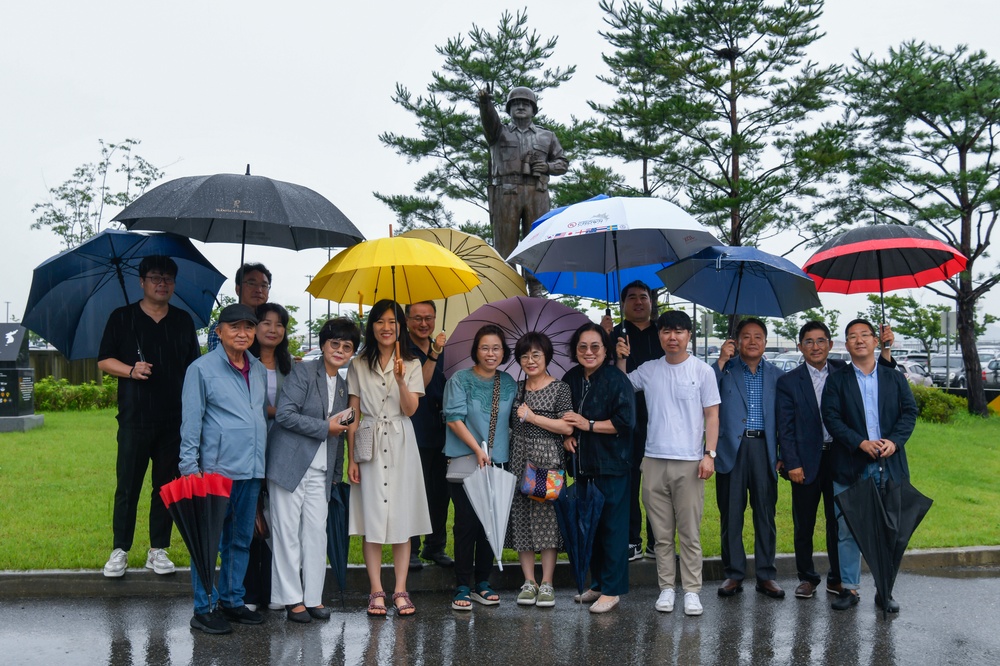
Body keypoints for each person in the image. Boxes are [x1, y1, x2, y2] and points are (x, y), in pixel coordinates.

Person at [776, 321, 898, 600]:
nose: (815, 347)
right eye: (808, 341)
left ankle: (838, 578)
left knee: (840, 521)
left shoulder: (845, 372)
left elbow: (881, 378)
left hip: (843, 457)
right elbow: (786, 426)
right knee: (803, 522)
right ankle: (807, 577)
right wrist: (791, 462)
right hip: (805, 461)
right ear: (800, 347)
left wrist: (887, 348)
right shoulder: (788, 381)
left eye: (821, 341)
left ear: (831, 345)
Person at [97, 255, 200, 578]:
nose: (162, 283)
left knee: (165, 486)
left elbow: (193, 368)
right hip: (134, 419)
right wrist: (130, 369)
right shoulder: (122, 317)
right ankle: (120, 549)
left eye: (168, 278)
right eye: (155, 277)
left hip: (173, 419)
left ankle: (158, 549)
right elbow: (103, 361)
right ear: (141, 282)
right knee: (127, 485)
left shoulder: (182, 321)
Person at [616, 311, 720, 617]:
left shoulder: (702, 371)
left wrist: (709, 454)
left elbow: (712, 415)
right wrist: (620, 357)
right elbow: (621, 386)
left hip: (690, 462)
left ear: (689, 335)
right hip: (653, 460)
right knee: (661, 534)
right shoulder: (649, 369)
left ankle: (691, 591)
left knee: (689, 532)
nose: (672, 337)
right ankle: (666, 588)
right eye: (666, 331)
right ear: (659, 335)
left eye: (678, 331)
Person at [179, 304, 267, 634]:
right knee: (207, 543)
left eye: (248, 327)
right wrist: (189, 468)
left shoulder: (257, 369)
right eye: (234, 327)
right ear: (219, 332)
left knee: (240, 539)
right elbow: (191, 422)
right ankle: (203, 608)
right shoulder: (201, 370)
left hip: (251, 469)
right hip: (214, 471)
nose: (242, 333)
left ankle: (231, 600)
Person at [822, 318, 917, 613]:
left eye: (865, 335)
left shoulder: (894, 377)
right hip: (852, 464)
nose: (859, 340)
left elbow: (909, 413)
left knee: (889, 529)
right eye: (852, 336)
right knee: (848, 527)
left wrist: (895, 442)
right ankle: (849, 588)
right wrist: (860, 443)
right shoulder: (837, 380)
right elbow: (832, 417)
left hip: (889, 465)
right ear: (846, 345)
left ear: (876, 341)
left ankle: (884, 589)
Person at [266, 318, 358, 623]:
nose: (340, 350)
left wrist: (335, 475)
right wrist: (325, 427)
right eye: (335, 344)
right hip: (289, 464)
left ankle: (313, 598)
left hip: (322, 471)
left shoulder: (344, 386)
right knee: (287, 533)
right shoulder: (303, 371)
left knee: (317, 534)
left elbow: (341, 432)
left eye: (347, 346)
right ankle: (292, 600)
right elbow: (285, 416)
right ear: (323, 345)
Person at [346, 300, 431, 617]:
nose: (386, 327)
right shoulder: (358, 364)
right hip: (368, 438)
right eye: (380, 321)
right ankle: (375, 590)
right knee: (372, 519)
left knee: (401, 518)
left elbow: (411, 410)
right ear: (372, 325)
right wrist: (352, 456)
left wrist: (399, 379)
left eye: (392, 321)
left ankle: (400, 589)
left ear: (401, 326)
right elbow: (352, 413)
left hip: (401, 441)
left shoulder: (411, 364)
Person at [562, 322, 636, 614]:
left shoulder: (616, 380)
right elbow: (561, 413)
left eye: (595, 346)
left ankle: (613, 589)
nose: (589, 352)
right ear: (575, 350)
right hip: (581, 466)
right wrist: (568, 433)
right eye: (583, 347)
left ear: (606, 350)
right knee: (587, 528)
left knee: (612, 529)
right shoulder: (571, 378)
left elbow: (624, 422)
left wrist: (587, 425)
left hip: (612, 465)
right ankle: (598, 583)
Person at [443, 324, 517, 611]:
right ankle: (462, 584)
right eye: (485, 347)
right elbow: (453, 418)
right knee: (466, 525)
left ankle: (483, 583)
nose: (490, 353)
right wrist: (477, 449)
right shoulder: (460, 380)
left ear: (503, 351)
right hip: (466, 463)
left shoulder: (509, 382)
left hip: (498, 463)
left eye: (496, 348)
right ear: (475, 349)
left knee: (491, 523)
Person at [714, 317, 784, 599]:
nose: (752, 341)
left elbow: (787, 420)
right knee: (731, 514)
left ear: (765, 342)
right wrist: (721, 360)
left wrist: (784, 455)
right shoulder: (725, 370)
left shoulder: (778, 375)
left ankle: (766, 574)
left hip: (765, 450)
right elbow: (704, 395)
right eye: (746, 336)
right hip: (732, 449)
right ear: (736, 341)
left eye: (758, 336)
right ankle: (733, 574)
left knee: (765, 514)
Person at [507, 332, 574, 608]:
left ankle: (547, 582)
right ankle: (528, 581)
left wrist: (533, 417)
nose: (530, 360)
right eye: (524, 356)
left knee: (548, 522)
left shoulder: (560, 388)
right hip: (519, 459)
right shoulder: (518, 388)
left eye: (536, 355)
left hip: (547, 460)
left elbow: (567, 426)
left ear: (546, 356)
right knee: (521, 520)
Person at [605, 280, 663, 561]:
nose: (638, 302)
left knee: (657, 484)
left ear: (652, 302)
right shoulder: (614, 335)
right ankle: (632, 540)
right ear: (623, 304)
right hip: (624, 421)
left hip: (660, 420)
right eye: (631, 298)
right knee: (628, 481)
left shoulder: (663, 333)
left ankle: (657, 540)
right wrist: (608, 344)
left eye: (643, 297)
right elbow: (603, 377)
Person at [478, 87, 569, 262]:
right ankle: (508, 287)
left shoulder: (547, 136)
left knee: (537, 242)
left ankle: (535, 287)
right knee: (505, 243)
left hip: (537, 192)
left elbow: (563, 163)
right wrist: (485, 103)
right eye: (516, 104)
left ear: (533, 110)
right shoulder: (498, 132)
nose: (520, 106)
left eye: (526, 103)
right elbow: (489, 120)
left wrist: (547, 166)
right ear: (509, 109)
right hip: (506, 192)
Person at [243, 302, 293, 612]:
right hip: (251, 448)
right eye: (265, 322)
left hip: (284, 450)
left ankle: (276, 590)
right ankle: (249, 592)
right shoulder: (243, 364)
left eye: (279, 324)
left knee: (279, 521)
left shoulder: (293, 367)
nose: (272, 329)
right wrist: (279, 412)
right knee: (250, 519)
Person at [405, 301, 453, 570]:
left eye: (429, 318)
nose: (424, 324)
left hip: (442, 428)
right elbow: (417, 386)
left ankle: (435, 546)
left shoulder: (444, 346)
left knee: (440, 491)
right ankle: (410, 548)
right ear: (407, 320)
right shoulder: (402, 349)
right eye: (417, 318)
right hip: (414, 425)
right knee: (414, 489)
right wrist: (434, 354)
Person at [207, 263, 272, 351]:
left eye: (264, 285)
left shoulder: (272, 326)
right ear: (238, 289)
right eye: (252, 283)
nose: (259, 290)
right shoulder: (223, 326)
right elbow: (216, 361)